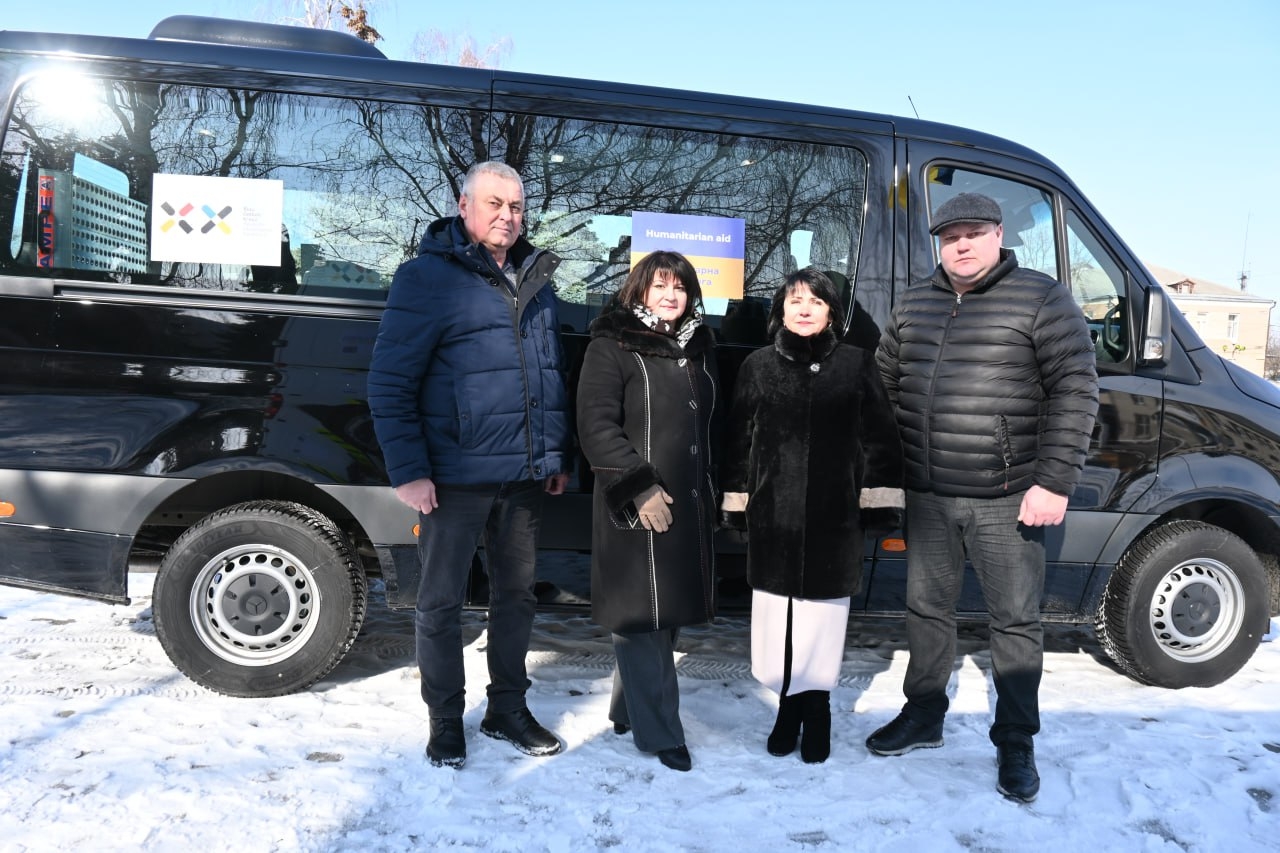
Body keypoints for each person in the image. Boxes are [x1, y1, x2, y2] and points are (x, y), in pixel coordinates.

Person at [868, 193, 1099, 802]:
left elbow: (1076, 391)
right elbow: (884, 383)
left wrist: (1053, 481)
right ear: (937, 243)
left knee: (1016, 622)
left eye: (973, 233)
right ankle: (924, 716)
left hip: (1008, 496)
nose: (961, 245)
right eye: (950, 236)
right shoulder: (916, 302)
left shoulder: (1041, 297)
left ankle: (1016, 741)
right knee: (925, 612)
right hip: (928, 494)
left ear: (998, 235)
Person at [367, 161, 571, 769]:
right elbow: (390, 381)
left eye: (516, 206)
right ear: (464, 206)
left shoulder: (537, 279)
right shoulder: (427, 278)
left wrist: (553, 455)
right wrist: (409, 471)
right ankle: (445, 720)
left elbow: (549, 377)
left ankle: (507, 708)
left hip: (523, 476)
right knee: (441, 603)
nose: (507, 216)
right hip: (453, 477)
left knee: (517, 598)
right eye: (495, 204)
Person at [720, 268, 904, 764]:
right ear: (780, 309)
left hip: (834, 518)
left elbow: (880, 440)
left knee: (821, 625)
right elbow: (737, 442)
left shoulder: (856, 365)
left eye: (815, 301)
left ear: (831, 312)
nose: (804, 308)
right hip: (773, 518)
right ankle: (786, 708)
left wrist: (879, 503)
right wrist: (737, 502)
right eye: (794, 299)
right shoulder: (758, 366)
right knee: (777, 626)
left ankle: (816, 710)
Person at [575, 251, 718, 773]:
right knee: (641, 615)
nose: (671, 296)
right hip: (636, 503)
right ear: (638, 291)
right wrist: (638, 487)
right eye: (660, 286)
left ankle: (627, 708)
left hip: (687, 502)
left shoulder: (699, 349)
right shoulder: (611, 346)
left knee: (665, 617)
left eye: (680, 287)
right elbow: (596, 427)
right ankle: (661, 733)